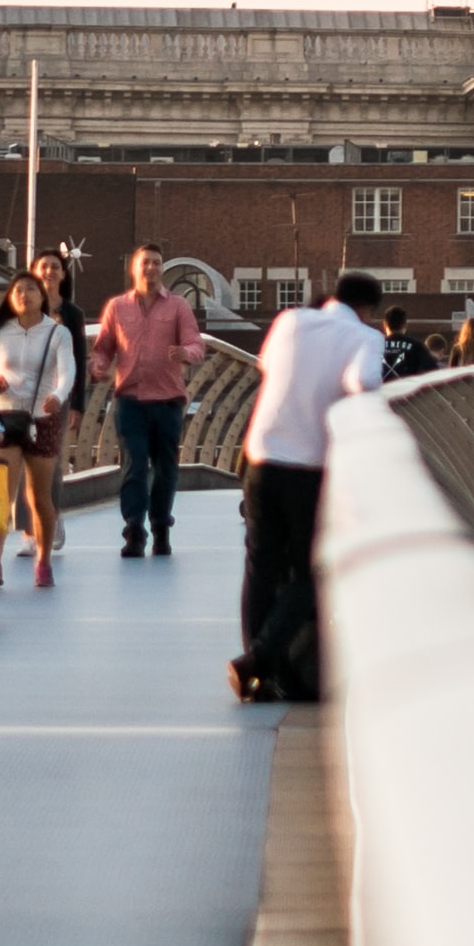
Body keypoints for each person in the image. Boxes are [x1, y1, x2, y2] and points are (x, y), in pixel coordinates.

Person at [230, 267, 393, 707]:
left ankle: (256, 673)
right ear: (368, 309)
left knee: (260, 564)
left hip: (261, 454)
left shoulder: (290, 321)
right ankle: (260, 661)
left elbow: (266, 365)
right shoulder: (365, 337)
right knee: (310, 569)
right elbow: (365, 384)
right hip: (309, 465)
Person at [95, 246, 202, 559]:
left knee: (166, 468)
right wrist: (98, 366)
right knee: (135, 463)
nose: (151, 269)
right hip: (130, 400)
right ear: (134, 268)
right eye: (146, 263)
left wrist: (187, 354)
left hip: (168, 401)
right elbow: (103, 347)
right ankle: (133, 528)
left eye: (157, 263)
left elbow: (195, 343)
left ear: (163, 269)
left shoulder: (179, 306)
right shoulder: (117, 307)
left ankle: (160, 525)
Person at [0, 255, 79, 591]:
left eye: (30, 290)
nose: (24, 295)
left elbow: (68, 371)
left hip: (42, 418)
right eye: (18, 290)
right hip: (7, 416)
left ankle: (44, 561)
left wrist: (59, 395)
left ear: (42, 295)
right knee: (0, 492)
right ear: (10, 298)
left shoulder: (57, 333)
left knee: (39, 496)